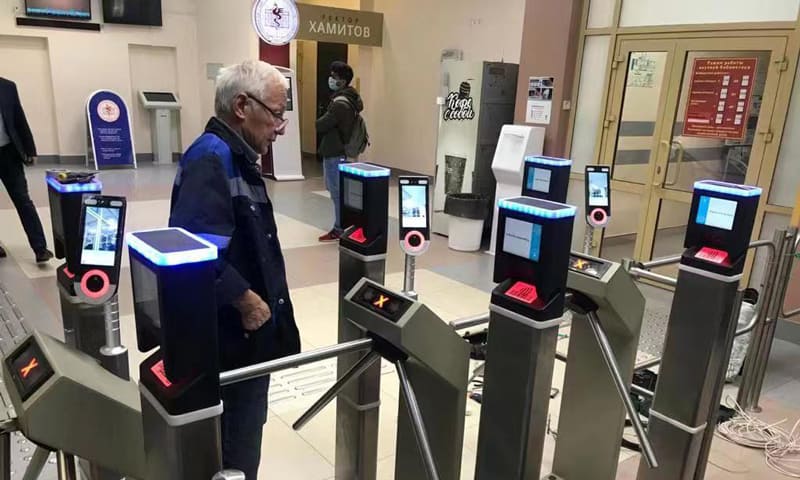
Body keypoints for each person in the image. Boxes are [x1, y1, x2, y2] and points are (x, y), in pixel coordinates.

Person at [168, 60, 301, 479]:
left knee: (244, 442)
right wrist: (247, 301)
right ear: (242, 106)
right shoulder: (212, 157)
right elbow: (194, 250)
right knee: (235, 455)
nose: (280, 126)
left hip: (247, 340)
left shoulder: (236, 156)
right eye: (277, 113)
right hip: (230, 343)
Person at [0, 77, 53, 263]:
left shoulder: (7, 87)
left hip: (8, 153)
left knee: (23, 199)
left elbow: (19, 118)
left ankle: (40, 248)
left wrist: (30, 149)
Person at [316, 61, 364, 242]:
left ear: (343, 81)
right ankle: (344, 224)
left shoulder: (340, 104)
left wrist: (323, 118)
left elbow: (320, 124)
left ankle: (339, 228)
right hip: (340, 151)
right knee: (339, 191)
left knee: (337, 192)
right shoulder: (349, 100)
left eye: (334, 77)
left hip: (335, 152)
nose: (331, 79)